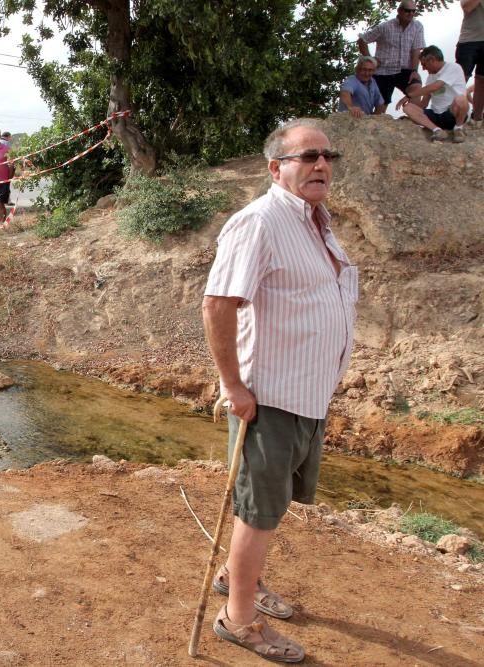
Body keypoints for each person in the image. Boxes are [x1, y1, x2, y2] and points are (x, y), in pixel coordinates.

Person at [202, 118, 356, 664]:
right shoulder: (260, 221)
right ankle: (238, 619)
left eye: (327, 156)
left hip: (308, 394)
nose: (321, 165)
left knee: (270, 505)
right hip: (270, 399)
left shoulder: (317, 220)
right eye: (307, 156)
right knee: (258, 511)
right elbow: (219, 303)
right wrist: (233, 385)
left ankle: (236, 577)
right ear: (276, 168)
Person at [397, 45, 470, 142]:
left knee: (461, 99)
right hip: (436, 115)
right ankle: (437, 130)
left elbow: (436, 86)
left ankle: (458, 128)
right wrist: (413, 114)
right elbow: (424, 102)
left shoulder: (453, 67)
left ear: (432, 60)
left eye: (424, 64)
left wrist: (409, 95)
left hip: (452, 113)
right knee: (408, 107)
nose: (423, 68)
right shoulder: (430, 78)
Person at [358, 1, 425, 103]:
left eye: (413, 11)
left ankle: (411, 118)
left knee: (416, 88)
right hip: (384, 71)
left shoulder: (417, 27)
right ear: (399, 11)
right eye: (407, 11)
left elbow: (416, 50)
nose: (411, 14)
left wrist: (415, 71)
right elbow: (362, 40)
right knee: (381, 105)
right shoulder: (385, 27)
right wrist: (370, 60)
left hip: (405, 70)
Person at [457, 0, 484, 123]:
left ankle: (477, 117)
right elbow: (467, 7)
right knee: (460, 79)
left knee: (482, 80)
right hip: (469, 40)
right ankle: (450, 116)